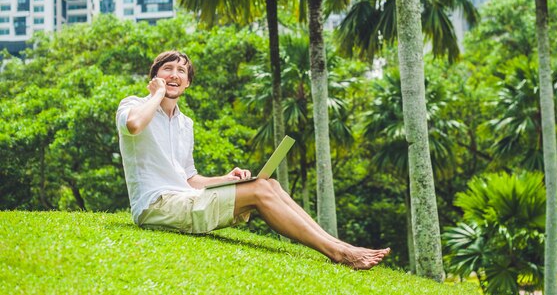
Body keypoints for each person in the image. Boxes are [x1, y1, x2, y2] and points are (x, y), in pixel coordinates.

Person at [116, 50, 390, 270]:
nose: (174, 75)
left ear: (188, 83)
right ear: (154, 77)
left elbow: (188, 179)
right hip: (156, 207)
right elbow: (134, 126)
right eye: (167, 69)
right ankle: (340, 253)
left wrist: (227, 180)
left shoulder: (185, 124)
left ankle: (341, 246)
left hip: (184, 200)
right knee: (260, 190)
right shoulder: (134, 105)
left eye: (181, 71)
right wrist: (157, 94)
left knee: (268, 184)